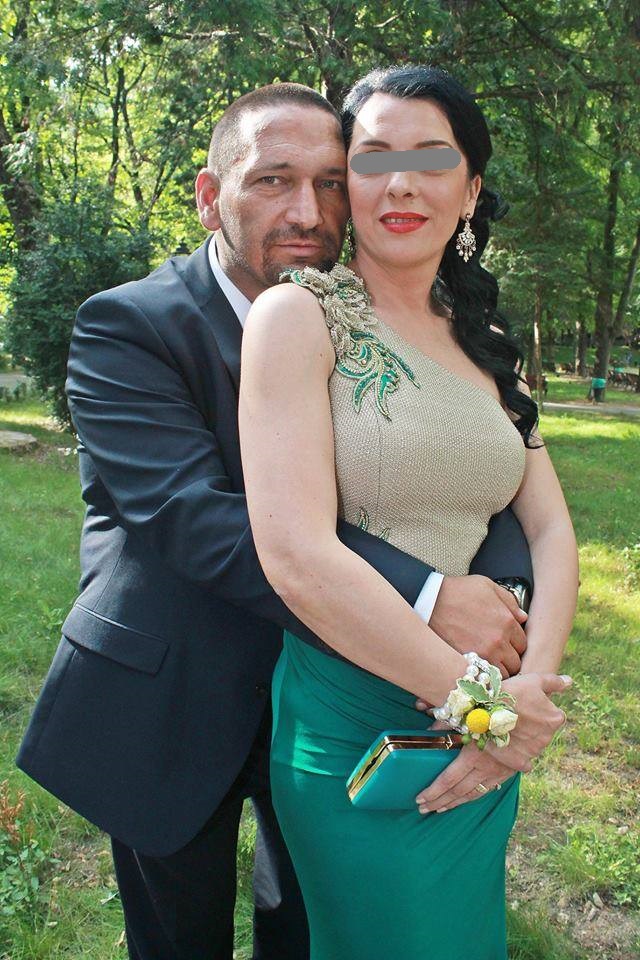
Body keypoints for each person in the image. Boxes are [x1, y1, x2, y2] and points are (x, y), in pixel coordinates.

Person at [17, 83, 534, 960]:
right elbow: (197, 517)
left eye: (332, 181)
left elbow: (469, 466)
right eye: (272, 181)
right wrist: (427, 594)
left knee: (306, 931)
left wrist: (504, 592)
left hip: (341, 689)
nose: (307, 212)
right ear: (208, 196)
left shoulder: (382, 324)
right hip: (172, 690)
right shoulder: (129, 326)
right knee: (177, 941)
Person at [238, 67, 579, 959]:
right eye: (374, 158)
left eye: (430, 159)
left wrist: (528, 696)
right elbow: (297, 557)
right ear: (347, 183)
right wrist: (485, 710)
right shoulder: (296, 318)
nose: (400, 183)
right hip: (360, 725)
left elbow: (551, 529)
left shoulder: (484, 340)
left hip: (489, 728)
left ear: (469, 190)